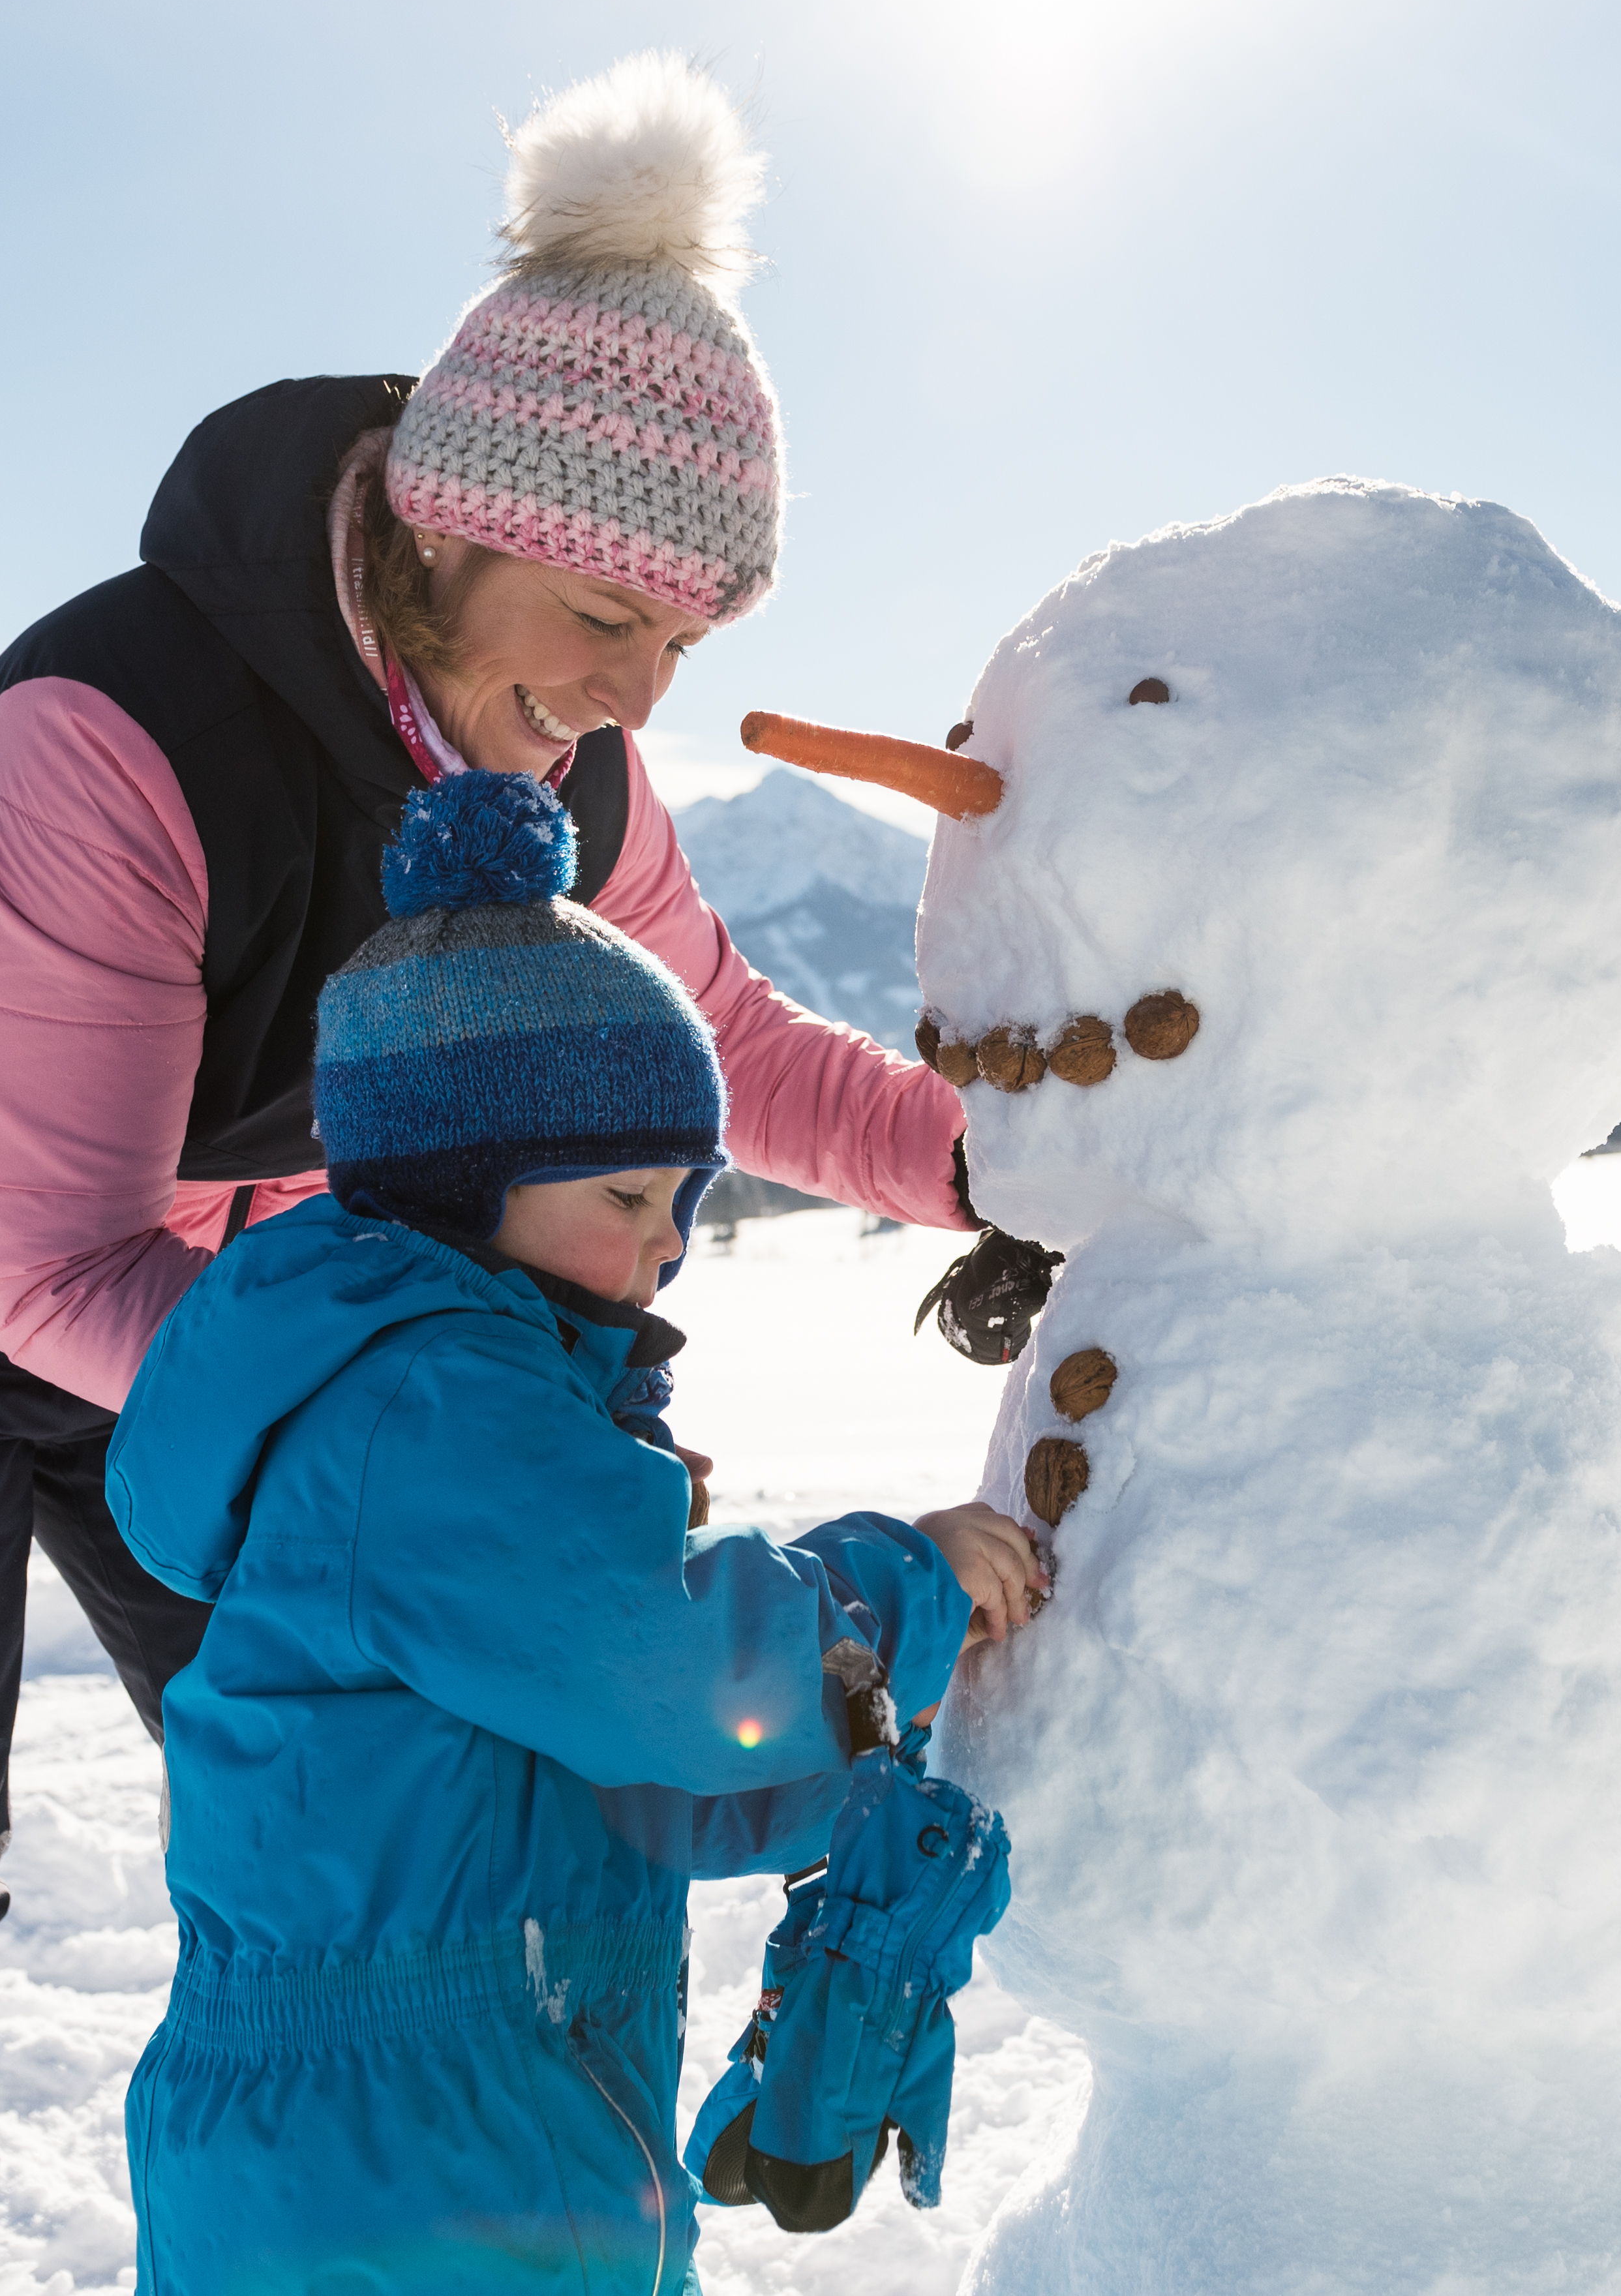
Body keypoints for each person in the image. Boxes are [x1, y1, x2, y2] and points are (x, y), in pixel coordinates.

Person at [0, 52, 971, 2294]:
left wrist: (1000, 1163)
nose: (637, 695)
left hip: (263, 1316)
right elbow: (53, 1255)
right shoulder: (108, 743)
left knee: (426, 1819)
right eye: (608, 623)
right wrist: (429, 1433)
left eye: (683, 645)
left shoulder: (569, 771)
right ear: (451, 524)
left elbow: (719, 1052)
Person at [106, 768, 1034, 2292]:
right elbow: (657, 1663)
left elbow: (637, 1771)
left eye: (686, 1198)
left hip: (449, 2098)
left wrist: (847, 1770)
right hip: (412, 2136)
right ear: (461, 1184)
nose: (667, 1242)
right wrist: (903, 1593)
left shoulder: (461, 1391)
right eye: (625, 1193)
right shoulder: (431, 1406)